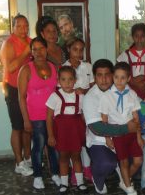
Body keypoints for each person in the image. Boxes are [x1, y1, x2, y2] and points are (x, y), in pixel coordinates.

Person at [82, 59, 139, 194]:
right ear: (94, 77)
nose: (103, 79)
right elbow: (97, 128)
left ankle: (123, 178)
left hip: (124, 138)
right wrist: (126, 128)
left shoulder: (124, 89)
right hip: (100, 141)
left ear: (113, 75)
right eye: (99, 75)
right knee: (107, 163)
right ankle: (98, 179)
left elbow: (137, 106)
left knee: (139, 160)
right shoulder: (90, 97)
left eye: (107, 74)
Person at [18, 37, 60, 189]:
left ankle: (55, 174)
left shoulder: (53, 67)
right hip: (35, 116)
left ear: (46, 49)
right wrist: (26, 120)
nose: (38, 52)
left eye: (41, 48)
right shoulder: (26, 69)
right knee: (39, 146)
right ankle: (37, 176)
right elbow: (21, 97)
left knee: (53, 146)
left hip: (53, 115)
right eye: (34, 49)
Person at [99, 62, 143, 195]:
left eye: (123, 77)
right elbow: (104, 119)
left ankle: (124, 180)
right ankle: (129, 188)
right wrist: (107, 138)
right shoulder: (106, 96)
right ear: (113, 77)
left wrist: (139, 136)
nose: (119, 80)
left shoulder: (132, 94)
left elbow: (136, 118)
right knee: (123, 161)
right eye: (116, 77)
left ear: (128, 79)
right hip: (117, 133)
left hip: (131, 132)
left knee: (138, 161)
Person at [0, 14, 33, 176]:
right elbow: (11, 67)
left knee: (27, 127)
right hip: (12, 88)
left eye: (26, 26)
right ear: (13, 27)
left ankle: (28, 158)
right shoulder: (8, 44)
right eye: (19, 26)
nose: (23, 29)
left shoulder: (29, 40)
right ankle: (18, 163)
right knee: (17, 127)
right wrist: (26, 51)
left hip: (27, 88)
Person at [46, 66, 88, 194]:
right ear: (58, 81)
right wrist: (51, 135)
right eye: (63, 80)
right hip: (62, 133)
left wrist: (86, 131)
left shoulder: (80, 96)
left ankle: (80, 181)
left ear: (75, 80)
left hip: (76, 132)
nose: (67, 83)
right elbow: (49, 118)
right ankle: (64, 183)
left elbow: (83, 115)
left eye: (70, 79)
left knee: (76, 156)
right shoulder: (55, 96)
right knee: (63, 158)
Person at [62, 37, 94, 183]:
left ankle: (87, 168)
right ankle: (75, 171)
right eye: (75, 49)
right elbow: (61, 90)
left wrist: (84, 90)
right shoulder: (64, 68)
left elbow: (94, 87)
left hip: (87, 109)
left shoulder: (87, 66)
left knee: (85, 140)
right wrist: (75, 90)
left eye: (81, 50)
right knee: (73, 143)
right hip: (71, 113)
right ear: (68, 49)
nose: (78, 53)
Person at [117, 23, 145, 99]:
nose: (139, 39)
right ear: (132, 37)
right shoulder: (125, 55)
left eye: (142, 36)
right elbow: (118, 75)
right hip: (129, 92)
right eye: (136, 36)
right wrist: (133, 81)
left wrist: (144, 78)